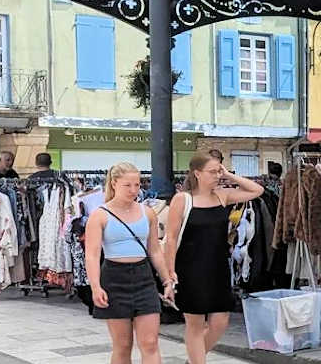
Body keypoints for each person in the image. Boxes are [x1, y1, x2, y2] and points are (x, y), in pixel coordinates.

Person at [166, 152, 264, 364]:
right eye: (213, 172)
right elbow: (171, 238)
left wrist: (229, 175)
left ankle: (193, 360)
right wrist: (169, 271)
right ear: (197, 173)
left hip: (218, 266)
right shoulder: (182, 199)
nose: (217, 175)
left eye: (219, 171)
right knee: (195, 324)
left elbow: (257, 190)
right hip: (189, 268)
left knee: (221, 321)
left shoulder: (222, 195)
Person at [84, 162, 171, 364]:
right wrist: (95, 287)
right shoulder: (99, 215)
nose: (134, 190)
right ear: (114, 184)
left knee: (150, 343)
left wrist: (167, 280)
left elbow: (155, 251)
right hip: (114, 277)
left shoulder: (147, 212)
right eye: (127, 185)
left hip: (143, 277)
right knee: (122, 345)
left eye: (137, 185)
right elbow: (92, 255)